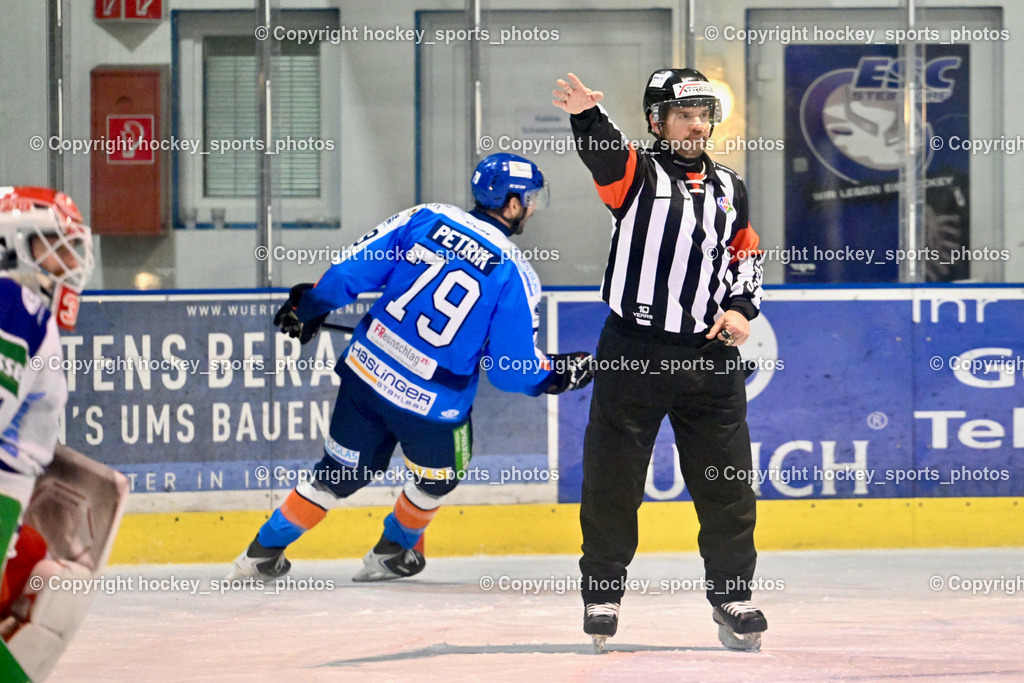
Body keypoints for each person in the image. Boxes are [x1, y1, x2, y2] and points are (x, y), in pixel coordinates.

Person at [230, 154, 594, 582]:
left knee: (337, 473)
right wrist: (555, 374)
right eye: (530, 199)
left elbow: (348, 273)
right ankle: (393, 551)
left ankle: (260, 553)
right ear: (512, 204)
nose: (532, 208)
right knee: (438, 479)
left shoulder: (427, 217)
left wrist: (307, 306)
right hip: (432, 406)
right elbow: (511, 371)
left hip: (365, 374)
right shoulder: (516, 274)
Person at [552, 70, 768, 651]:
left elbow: (745, 255)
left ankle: (732, 594)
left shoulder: (730, 186)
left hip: (710, 357)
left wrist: (741, 308)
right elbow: (604, 154)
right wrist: (585, 116)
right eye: (683, 116)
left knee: (728, 485)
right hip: (635, 351)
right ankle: (602, 594)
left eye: (703, 116)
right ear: (657, 122)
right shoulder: (636, 174)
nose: (696, 126)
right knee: (613, 481)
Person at [0, 185, 98, 680]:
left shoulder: (27, 308)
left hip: (11, 497)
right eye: (54, 246)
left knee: (48, 579)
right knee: (54, 596)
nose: (71, 262)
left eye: (73, 247)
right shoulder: (13, 304)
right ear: (9, 244)